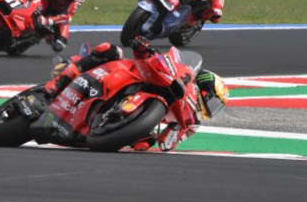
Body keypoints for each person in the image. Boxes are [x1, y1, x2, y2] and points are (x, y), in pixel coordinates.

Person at [42, 36, 229, 152]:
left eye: (215, 107)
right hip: (123, 74)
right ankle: (63, 78)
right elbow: (153, 58)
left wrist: (168, 132)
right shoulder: (183, 76)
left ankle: (106, 124)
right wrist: (144, 48)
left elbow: (166, 145)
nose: (210, 108)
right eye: (212, 101)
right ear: (202, 88)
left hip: (135, 119)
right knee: (110, 50)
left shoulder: (191, 124)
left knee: (143, 144)